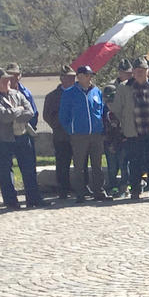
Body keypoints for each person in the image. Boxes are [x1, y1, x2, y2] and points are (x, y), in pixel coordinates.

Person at [0, 67, 45, 209]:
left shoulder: (17, 94)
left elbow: (30, 111)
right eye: (3, 80)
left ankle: (33, 199)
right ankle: (11, 201)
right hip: (3, 139)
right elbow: (3, 117)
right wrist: (18, 110)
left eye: (7, 79)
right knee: (6, 171)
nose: (7, 81)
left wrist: (14, 113)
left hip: (22, 135)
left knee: (29, 168)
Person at [115, 57, 149, 199]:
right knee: (135, 162)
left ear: (148, 71)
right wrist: (125, 124)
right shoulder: (124, 87)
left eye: (142, 71)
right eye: (137, 71)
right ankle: (135, 190)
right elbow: (118, 109)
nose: (139, 73)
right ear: (133, 72)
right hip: (134, 131)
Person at [60, 65, 111, 202]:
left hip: (96, 134)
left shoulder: (96, 91)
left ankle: (99, 191)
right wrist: (71, 130)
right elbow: (63, 116)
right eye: (87, 75)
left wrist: (101, 128)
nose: (90, 78)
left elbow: (101, 110)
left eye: (90, 76)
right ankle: (80, 193)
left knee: (97, 165)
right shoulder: (69, 93)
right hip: (79, 135)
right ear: (80, 76)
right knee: (79, 166)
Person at [43, 65, 77, 199]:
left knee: (81, 162)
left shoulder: (78, 93)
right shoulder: (52, 96)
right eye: (69, 77)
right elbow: (47, 115)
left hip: (78, 135)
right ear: (62, 78)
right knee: (62, 163)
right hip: (61, 135)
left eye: (73, 77)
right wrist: (60, 123)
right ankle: (63, 189)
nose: (72, 80)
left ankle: (81, 187)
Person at [101, 84, 127, 197]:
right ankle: (113, 187)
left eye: (112, 101)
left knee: (124, 166)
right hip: (109, 144)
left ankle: (125, 187)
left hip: (122, 143)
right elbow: (106, 130)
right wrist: (108, 144)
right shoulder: (105, 113)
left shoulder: (123, 112)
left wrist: (115, 144)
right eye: (108, 102)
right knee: (112, 168)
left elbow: (121, 131)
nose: (110, 104)